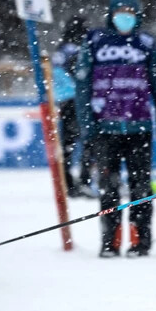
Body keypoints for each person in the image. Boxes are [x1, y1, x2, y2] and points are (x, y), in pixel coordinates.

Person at [75, 0, 156, 258]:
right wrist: (87, 125)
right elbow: (83, 86)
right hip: (105, 129)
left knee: (142, 188)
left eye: (130, 12)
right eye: (120, 12)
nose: (124, 17)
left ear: (137, 15)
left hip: (139, 127)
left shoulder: (145, 43)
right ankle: (111, 239)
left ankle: (140, 238)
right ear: (111, 14)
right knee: (108, 188)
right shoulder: (95, 41)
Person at [54, 16, 95, 198]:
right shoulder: (80, 49)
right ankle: (84, 181)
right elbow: (82, 75)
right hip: (80, 100)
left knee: (68, 145)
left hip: (64, 102)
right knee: (88, 143)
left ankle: (67, 183)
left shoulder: (60, 50)